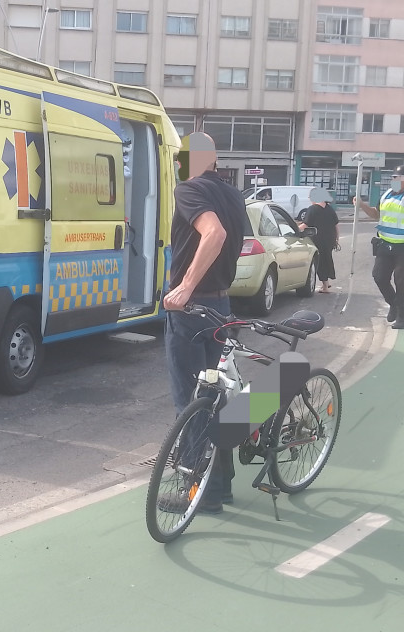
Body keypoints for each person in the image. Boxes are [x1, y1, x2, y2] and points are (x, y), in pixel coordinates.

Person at [159, 133, 246, 514]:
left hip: (192, 311)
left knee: (191, 402)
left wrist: (184, 288)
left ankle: (197, 492)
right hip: (221, 306)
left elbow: (216, 234)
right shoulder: (233, 194)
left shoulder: (189, 190)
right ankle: (222, 485)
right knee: (217, 398)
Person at [354, 165, 404, 330]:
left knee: (401, 280)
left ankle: (402, 318)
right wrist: (361, 205)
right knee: (379, 277)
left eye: (399, 177)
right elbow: (376, 214)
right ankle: (394, 304)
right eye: (393, 177)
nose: (395, 180)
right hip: (385, 244)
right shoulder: (386, 195)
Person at [298, 188, 340, 293]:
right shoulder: (330, 209)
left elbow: (305, 224)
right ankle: (326, 283)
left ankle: (325, 285)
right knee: (326, 260)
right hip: (329, 239)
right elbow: (336, 226)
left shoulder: (312, 209)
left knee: (319, 262)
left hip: (317, 240)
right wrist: (336, 239)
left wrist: (294, 230)